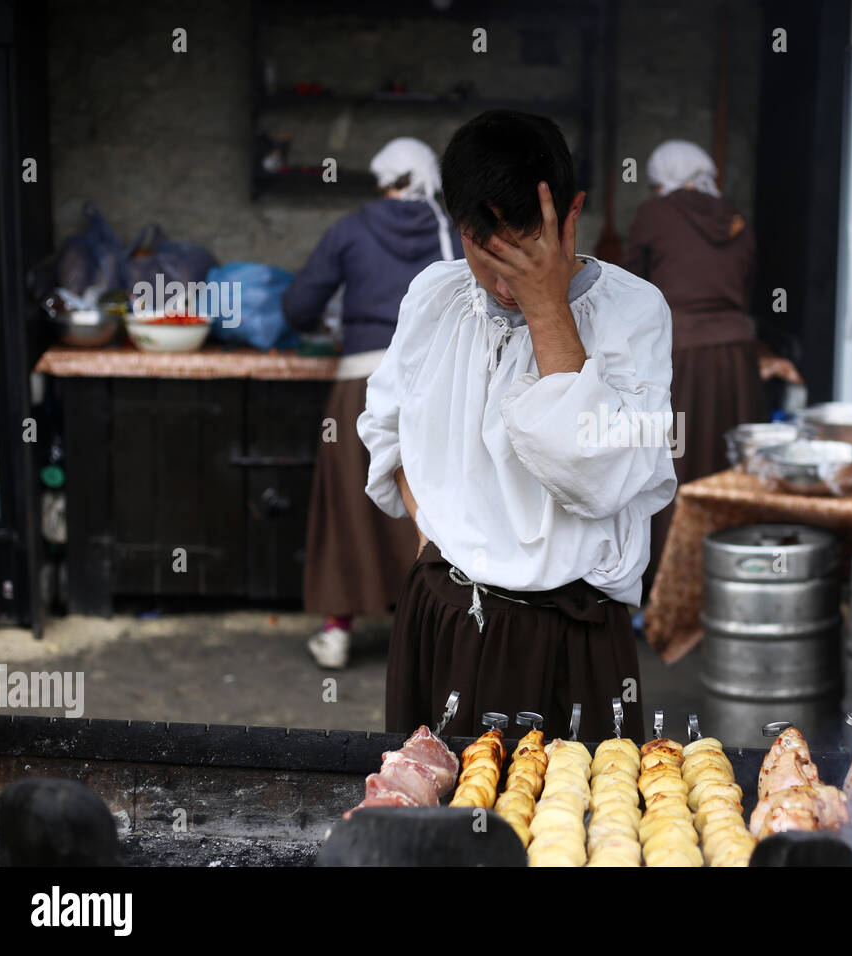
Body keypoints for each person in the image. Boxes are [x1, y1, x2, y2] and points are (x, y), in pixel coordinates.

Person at [358, 111, 674, 740]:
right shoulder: (433, 296)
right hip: (443, 619)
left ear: (572, 212)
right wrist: (435, 537)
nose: (508, 283)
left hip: (566, 638)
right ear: (459, 228)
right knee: (433, 817)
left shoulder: (632, 312)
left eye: (529, 252)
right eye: (487, 256)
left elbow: (598, 472)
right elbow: (386, 430)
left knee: (567, 826)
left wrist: (547, 306)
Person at [283, 137, 462, 670]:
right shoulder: (453, 231)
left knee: (350, 505)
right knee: (441, 503)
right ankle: (446, 634)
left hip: (361, 382)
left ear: (382, 178)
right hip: (440, 386)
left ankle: (338, 630)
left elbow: (297, 306)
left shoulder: (351, 229)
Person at [624, 139, 801, 590]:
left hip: (675, 354)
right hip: (735, 357)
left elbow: (628, 285)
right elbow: (749, 281)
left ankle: (667, 583)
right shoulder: (736, 218)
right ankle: (732, 581)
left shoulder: (652, 215)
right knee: (730, 464)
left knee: (670, 461)